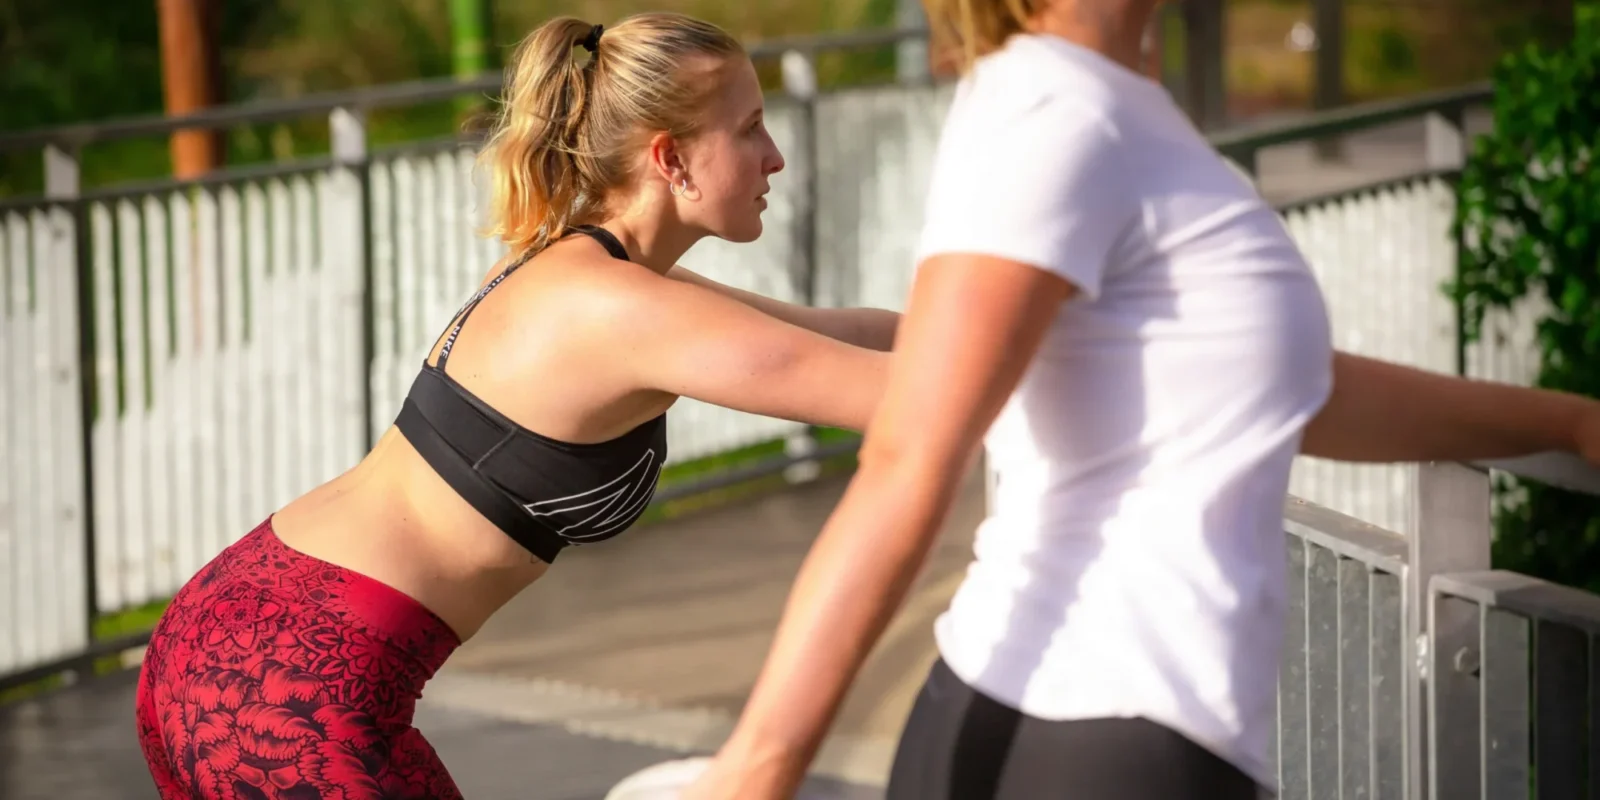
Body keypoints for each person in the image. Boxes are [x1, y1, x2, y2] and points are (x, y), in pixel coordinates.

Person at [683, 0, 1600, 798]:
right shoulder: (1048, 110)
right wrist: (757, 769)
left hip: (1124, 734)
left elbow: (1282, 391)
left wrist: (1561, 421)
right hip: (1087, 737)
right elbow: (912, 453)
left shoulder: (1109, 106)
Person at [133, 13, 900, 799]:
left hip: (224, 635)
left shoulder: (595, 275)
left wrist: (1019, 317)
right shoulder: (624, 311)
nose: (775, 155)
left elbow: (856, 336)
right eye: (750, 129)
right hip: (292, 686)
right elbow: (916, 404)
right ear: (671, 159)